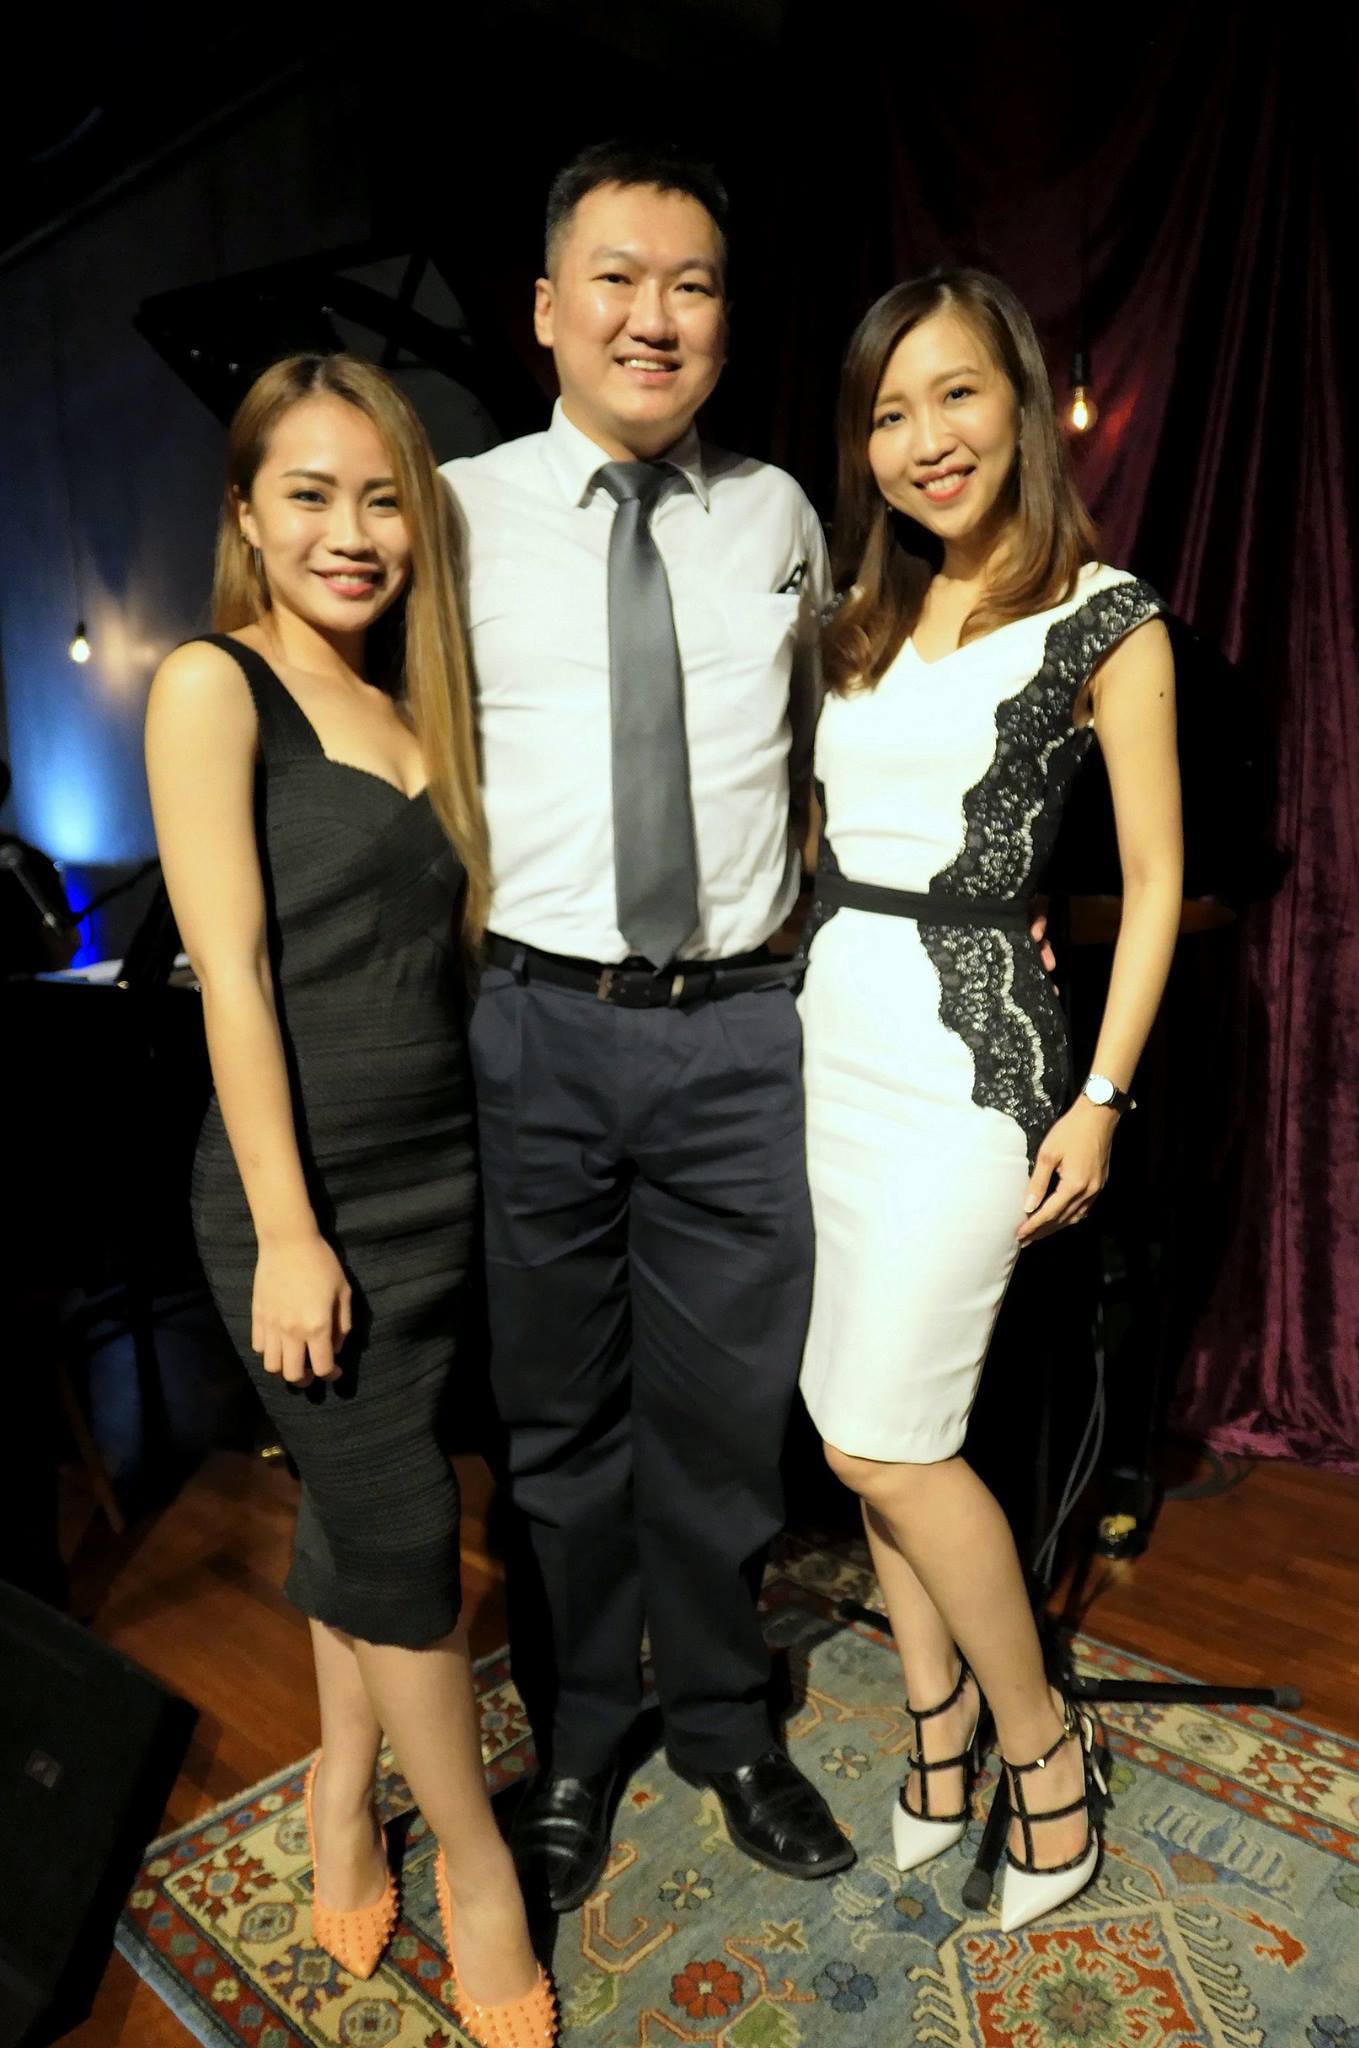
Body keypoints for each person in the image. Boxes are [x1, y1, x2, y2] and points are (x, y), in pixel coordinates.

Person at [441, 141, 852, 1911]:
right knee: (554, 1423)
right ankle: (579, 1731)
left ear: (725, 323)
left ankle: (723, 1720)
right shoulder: (450, 513)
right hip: (537, 1022)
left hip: (739, 1033)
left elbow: (828, 753)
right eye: (615, 278)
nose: (652, 317)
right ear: (547, 309)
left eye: (690, 285)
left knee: (722, 1414)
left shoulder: (780, 516)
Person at [144, 354, 556, 2043]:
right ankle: (476, 1865)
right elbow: (232, 979)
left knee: (362, 1512)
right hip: (296, 1198)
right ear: (247, 513)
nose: (352, 530)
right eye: (310, 493)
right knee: (398, 1533)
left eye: (384, 497)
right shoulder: (211, 685)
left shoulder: (413, 708)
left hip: (442, 1178)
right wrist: (292, 1230)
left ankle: (338, 1783)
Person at [799, 268, 1182, 1929]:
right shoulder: (861, 621)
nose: (924, 438)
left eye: (954, 393)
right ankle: (933, 1725)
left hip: (975, 1065)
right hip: (832, 1043)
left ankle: (1040, 1752)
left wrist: (1098, 1096)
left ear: (1018, 404)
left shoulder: (1107, 614)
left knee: (882, 1437)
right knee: (864, 1425)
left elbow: (1153, 882)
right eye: (888, 413)